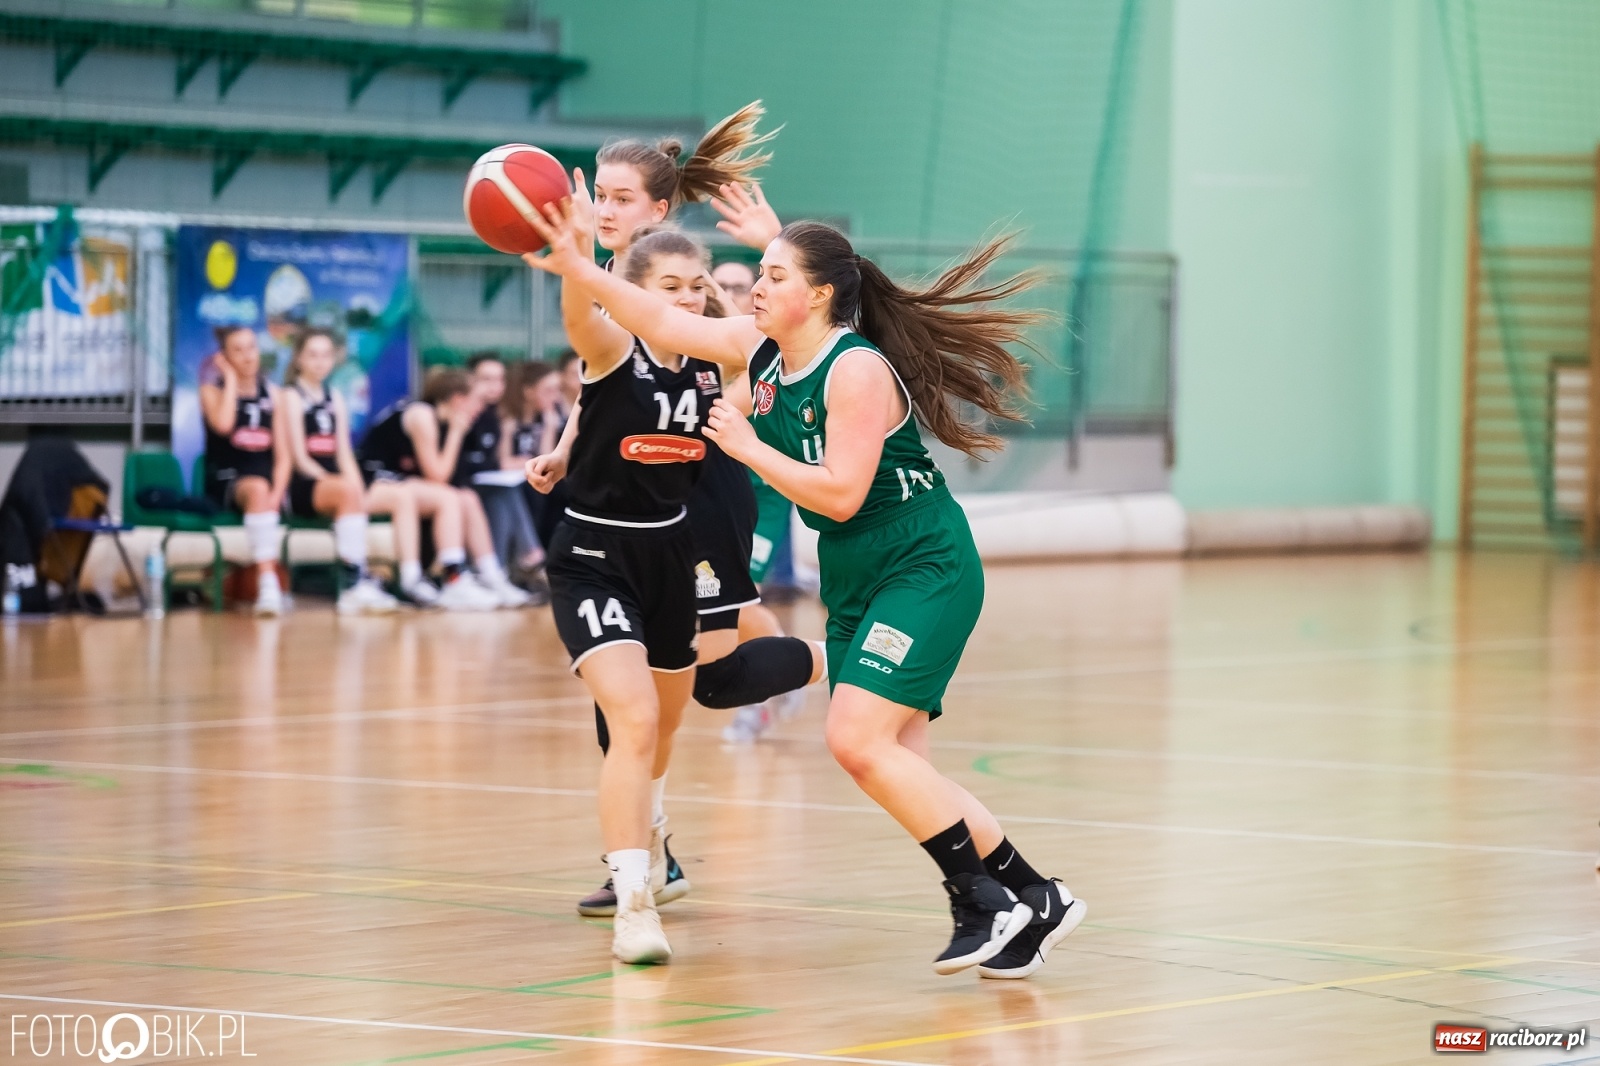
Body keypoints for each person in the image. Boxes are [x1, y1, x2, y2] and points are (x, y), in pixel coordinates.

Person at [521, 204, 1086, 979]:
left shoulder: (854, 369)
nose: (752, 286)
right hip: (855, 573)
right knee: (897, 764)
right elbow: (655, 315)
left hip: (921, 564)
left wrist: (749, 447)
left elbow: (842, 495)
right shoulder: (760, 351)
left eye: (773, 275)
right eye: (758, 272)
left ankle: (982, 901)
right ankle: (1035, 894)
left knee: (854, 740)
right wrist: (579, 268)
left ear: (817, 296)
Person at [357, 369, 513, 611]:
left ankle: (492, 576)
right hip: (369, 481)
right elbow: (438, 476)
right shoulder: (422, 414)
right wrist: (455, 434)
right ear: (458, 400)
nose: (479, 409)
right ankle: (449, 578)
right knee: (447, 496)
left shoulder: (443, 419)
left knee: (467, 497)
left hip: (399, 483)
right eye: (476, 401)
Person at [278, 328, 400, 614]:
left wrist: (356, 486)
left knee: (358, 491)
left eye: (325, 355)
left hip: (334, 485)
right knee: (346, 492)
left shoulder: (335, 397)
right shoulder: (290, 396)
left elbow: (344, 453)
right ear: (298, 359)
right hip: (303, 484)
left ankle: (370, 577)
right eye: (313, 355)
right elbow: (298, 457)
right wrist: (339, 485)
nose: (320, 362)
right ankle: (351, 586)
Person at [199, 325, 290, 616]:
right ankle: (267, 584)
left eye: (251, 347)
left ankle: (269, 580)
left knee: (263, 490)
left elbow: (284, 456)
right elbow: (224, 425)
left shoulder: (274, 395)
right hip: (227, 479)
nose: (248, 356)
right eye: (237, 350)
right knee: (257, 488)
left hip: (264, 485)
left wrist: (278, 493)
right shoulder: (212, 391)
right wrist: (229, 379)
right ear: (224, 356)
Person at [461, 352, 544, 598]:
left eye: (499, 380)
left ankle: (498, 570)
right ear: (469, 381)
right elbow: (461, 464)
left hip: (482, 485)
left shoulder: (494, 416)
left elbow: (491, 460)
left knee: (508, 489)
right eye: (486, 379)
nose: (494, 387)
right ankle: (526, 558)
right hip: (455, 486)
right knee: (501, 490)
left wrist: (501, 465)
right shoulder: (462, 412)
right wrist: (499, 465)